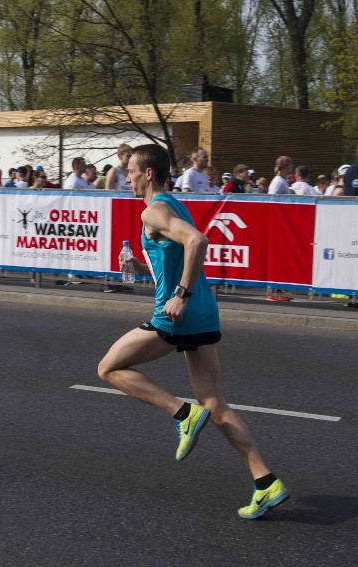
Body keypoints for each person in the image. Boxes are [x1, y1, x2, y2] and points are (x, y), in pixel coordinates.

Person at [98, 143, 288, 520]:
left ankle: (182, 413)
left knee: (108, 369)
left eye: (131, 170)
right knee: (215, 403)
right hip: (204, 311)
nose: (127, 177)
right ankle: (266, 482)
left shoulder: (154, 210)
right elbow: (177, 252)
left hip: (178, 315)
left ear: (149, 173)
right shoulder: (173, 204)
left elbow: (197, 241)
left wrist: (180, 295)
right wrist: (138, 264)